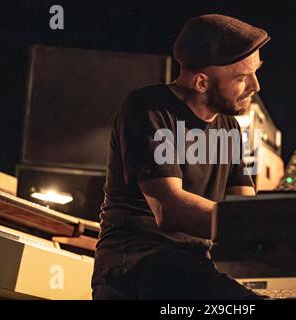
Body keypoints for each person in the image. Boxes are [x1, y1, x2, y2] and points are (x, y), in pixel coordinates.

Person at [91, 14, 270, 300]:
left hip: (190, 268)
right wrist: (265, 225)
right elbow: (169, 208)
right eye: (242, 77)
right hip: (134, 267)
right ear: (201, 82)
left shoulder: (230, 127)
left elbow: (242, 207)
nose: (256, 86)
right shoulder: (148, 108)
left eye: (257, 72)